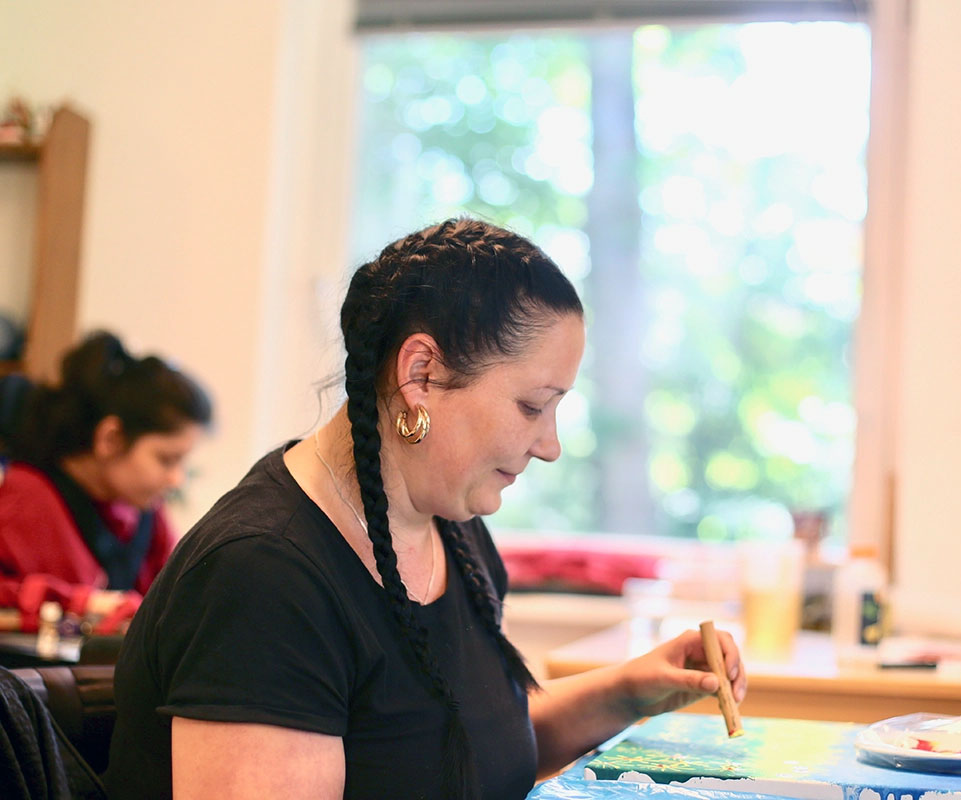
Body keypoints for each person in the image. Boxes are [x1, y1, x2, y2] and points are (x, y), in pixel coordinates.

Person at [104, 218, 746, 800]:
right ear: (421, 374)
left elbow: (464, 744)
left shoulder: (450, 530)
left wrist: (631, 689)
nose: (550, 445)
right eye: (532, 406)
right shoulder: (262, 578)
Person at [0, 331, 212, 632]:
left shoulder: (143, 513)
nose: (176, 479)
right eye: (166, 459)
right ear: (110, 438)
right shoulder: (27, 497)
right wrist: (79, 603)